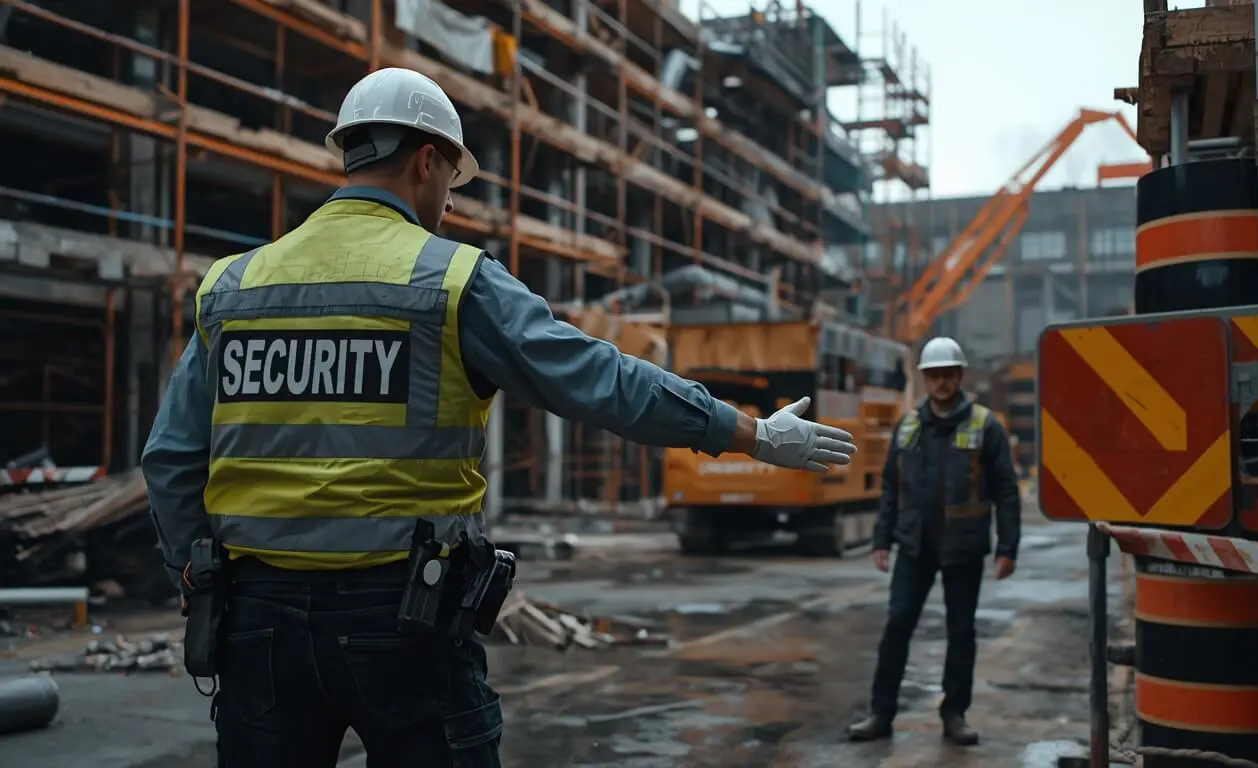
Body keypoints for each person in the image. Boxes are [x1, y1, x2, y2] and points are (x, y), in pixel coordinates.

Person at [141, 67, 857, 768]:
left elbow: (170, 457)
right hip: (404, 622)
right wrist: (753, 434)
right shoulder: (450, 282)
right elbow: (599, 380)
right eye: (452, 182)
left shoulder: (233, 286)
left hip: (253, 621)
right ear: (427, 161)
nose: (450, 205)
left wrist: (190, 565)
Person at [845, 336, 1021, 747]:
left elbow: (1006, 490)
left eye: (948, 375)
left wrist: (1008, 547)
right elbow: (891, 487)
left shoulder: (984, 425)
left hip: (964, 548)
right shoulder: (908, 427)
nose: (941, 382)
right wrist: (881, 539)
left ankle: (954, 714)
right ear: (924, 379)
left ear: (959, 376)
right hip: (915, 546)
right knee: (897, 625)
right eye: (934, 375)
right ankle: (880, 713)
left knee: (961, 632)